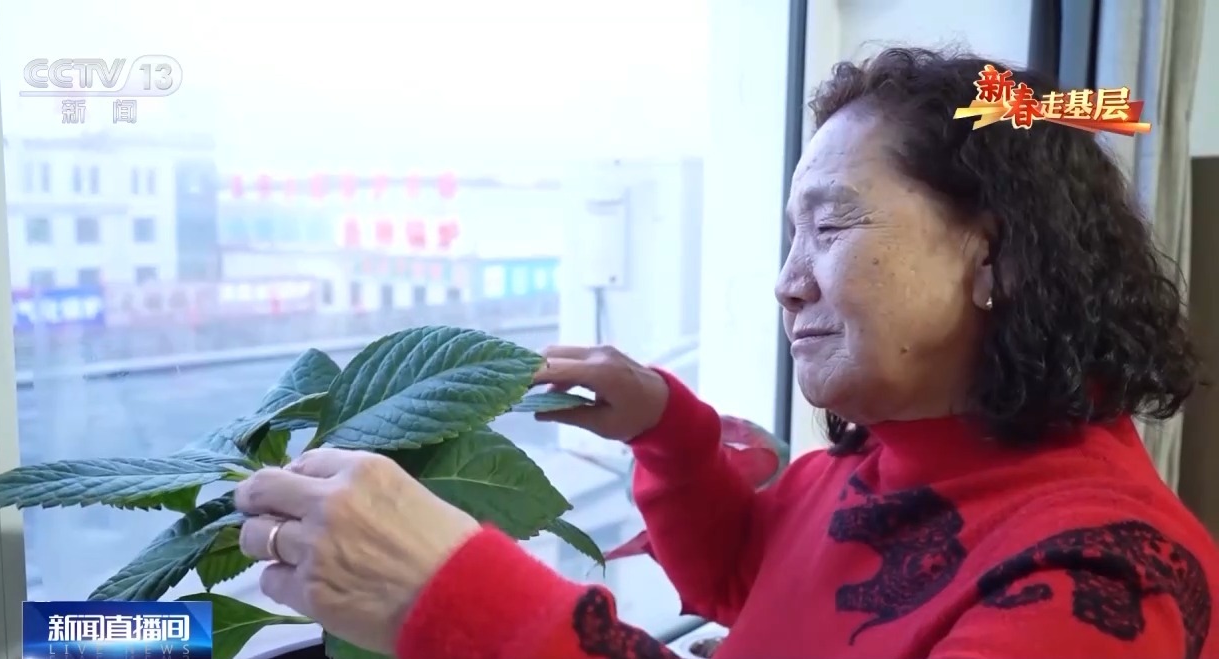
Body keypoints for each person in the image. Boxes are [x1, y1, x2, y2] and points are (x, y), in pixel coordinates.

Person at [233, 47, 1219, 659]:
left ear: (992, 252)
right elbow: (744, 574)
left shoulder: (1103, 578)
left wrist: (461, 599)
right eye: (788, 239)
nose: (786, 282)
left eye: (829, 227)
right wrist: (667, 428)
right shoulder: (870, 469)